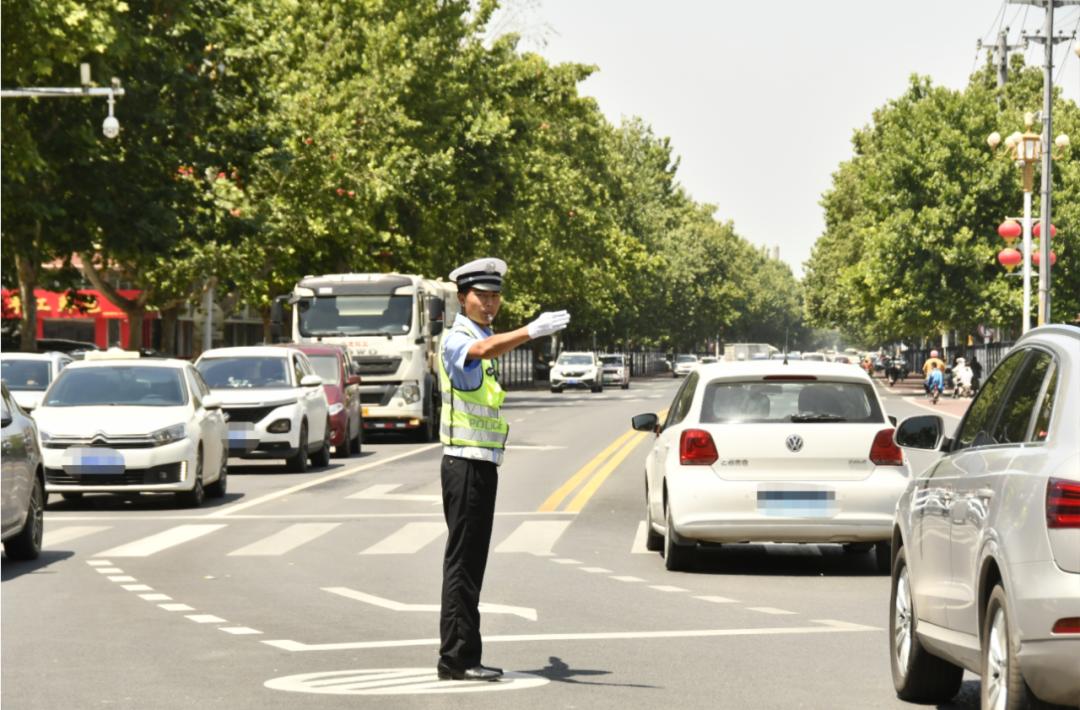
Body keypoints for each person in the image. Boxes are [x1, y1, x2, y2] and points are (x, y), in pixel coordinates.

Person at [436, 257, 570, 682]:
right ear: (462, 298)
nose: (490, 303)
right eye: (482, 296)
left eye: (495, 296)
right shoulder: (459, 338)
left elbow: (487, 347)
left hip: (480, 464)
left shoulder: (484, 333)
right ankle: (455, 659)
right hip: (465, 464)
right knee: (462, 565)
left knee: (472, 566)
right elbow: (477, 352)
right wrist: (531, 330)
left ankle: (466, 655)